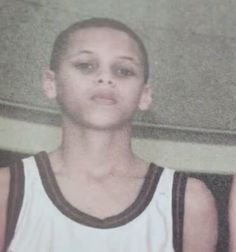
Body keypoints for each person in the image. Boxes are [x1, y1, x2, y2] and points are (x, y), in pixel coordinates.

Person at [0, 17, 217, 252]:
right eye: (86, 65)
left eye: (124, 70)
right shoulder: (7, 189)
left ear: (145, 95)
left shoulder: (187, 201)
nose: (106, 78)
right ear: (50, 82)